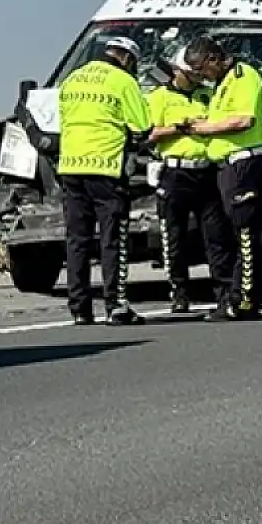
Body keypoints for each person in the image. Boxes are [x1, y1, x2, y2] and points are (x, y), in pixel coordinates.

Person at [57, 36, 151, 325]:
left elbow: (62, 120)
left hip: (71, 166)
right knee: (113, 240)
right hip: (105, 168)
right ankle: (115, 305)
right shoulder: (123, 81)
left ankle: (80, 309)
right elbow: (142, 126)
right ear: (127, 58)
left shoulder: (73, 79)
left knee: (77, 241)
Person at [182, 35, 262, 321]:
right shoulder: (221, 83)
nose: (199, 75)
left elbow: (243, 120)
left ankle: (245, 299)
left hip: (244, 165)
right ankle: (228, 298)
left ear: (213, 59)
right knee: (221, 237)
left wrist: (205, 128)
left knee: (245, 235)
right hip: (224, 167)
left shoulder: (243, 76)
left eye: (200, 68)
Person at [145, 46, 234, 314]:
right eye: (191, 73)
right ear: (177, 71)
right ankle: (179, 293)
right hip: (175, 173)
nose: (197, 77)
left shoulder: (208, 94)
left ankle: (224, 293)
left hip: (206, 171)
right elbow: (147, 134)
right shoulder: (159, 98)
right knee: (174, 236)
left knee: (216, 237)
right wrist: (178, 127)